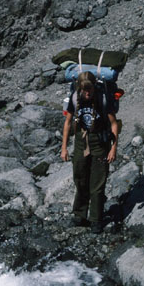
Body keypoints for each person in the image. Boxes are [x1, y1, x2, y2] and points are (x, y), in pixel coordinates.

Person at [61, 71, 118, 234]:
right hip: (80, 141)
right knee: (80, 178)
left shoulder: (103, 98)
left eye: (90, 90)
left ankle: (96, 219)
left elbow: (114, 124)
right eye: (85, 91)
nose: (87, 94)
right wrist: (64, 148)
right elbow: (67, 123)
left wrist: (113, 148)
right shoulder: (74, 97)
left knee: (98, 182)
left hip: (100, 142)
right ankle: (80, 215)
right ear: (79, 88)